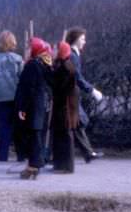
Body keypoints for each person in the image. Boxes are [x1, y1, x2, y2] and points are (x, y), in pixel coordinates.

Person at [14, 38, 53, 179]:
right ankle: (34, 165)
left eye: (28, 48)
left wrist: (22, 107)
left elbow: (27, 88)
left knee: (33, 136)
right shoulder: (45, 63)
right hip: (41, 104)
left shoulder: (32, 65)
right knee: (38, 135)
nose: (26, 50)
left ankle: (33, 167)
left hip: (33, 105)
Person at [65, 27, 104, 163]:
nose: (84, 42)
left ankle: (88, 153)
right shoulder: (72, 55)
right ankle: (87, 153)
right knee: (77, 122)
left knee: (77, 123)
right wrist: (92, 90)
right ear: (75, 40)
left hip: (70, 94)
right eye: (82, 39)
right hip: (70, 95)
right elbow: (77, 77)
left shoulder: (73, 54)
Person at [0, 30, 24, 161]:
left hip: (1, 97)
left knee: (4, 127)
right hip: (16, 96)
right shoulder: (18, 59)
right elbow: (22, 78)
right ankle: (21, 154)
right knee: (19, 126)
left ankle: (3, 155)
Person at [50, 41, 79, 173]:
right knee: (60, 135)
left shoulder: (66, 67)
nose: (53, 50)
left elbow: (59, 87)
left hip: (65, 107)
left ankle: (66, 166)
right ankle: (59, 163)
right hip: (62, 106)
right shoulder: (61, 65)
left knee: (65, 135)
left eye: (56, 48)